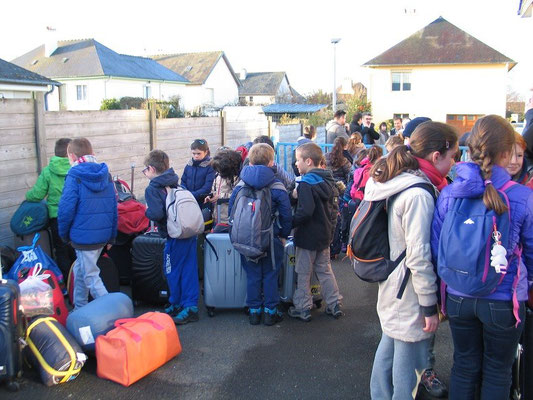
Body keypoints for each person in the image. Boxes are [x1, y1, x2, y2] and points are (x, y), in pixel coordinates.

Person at [432, 115, 533, 399]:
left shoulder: (450, 193)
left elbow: (438, 247)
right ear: (506, 152)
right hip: (503, 298)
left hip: (457, 295)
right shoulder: (522, 196)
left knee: (463, 365)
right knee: (497, 371)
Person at [368, 122, 459, 399]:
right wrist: (429, 305)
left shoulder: (400, 179)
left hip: (394, 282)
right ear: (435, 156)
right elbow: (419, 256)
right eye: (453, 155)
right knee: (407, 368)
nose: (455, 162)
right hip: (409, 289)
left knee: (390, 345)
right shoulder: (419, 193)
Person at [228, 143, 292, 326]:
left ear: (249, 161)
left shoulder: (240, 185)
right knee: (271, 274)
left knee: (253, 275)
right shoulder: (277, 186)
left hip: (247, 238)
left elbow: (232, 210)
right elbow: (287, 215)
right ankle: (270, 312)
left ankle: (254, 311)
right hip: (271, 238)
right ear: (272, 162)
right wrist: (283, 235)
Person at [58, 138, 117, 309]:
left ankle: (113, 313)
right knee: (80, 270)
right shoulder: (105, 174)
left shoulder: (74, 175)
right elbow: (114, 207)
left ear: (71, 155)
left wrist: (63, 234)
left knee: (91, 276)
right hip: (102, 236)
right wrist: (112, 237)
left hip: (83, 238)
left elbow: (65, 210)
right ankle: (80, 308)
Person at [143, 149, 199, 325]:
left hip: (173, 235)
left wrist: (146, 212)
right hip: (187, 231)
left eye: (145, 170)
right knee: (189, 269)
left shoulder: (153, 188)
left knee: (172, 270)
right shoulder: (174, 181)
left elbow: (157, 213)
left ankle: (178, 302)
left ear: (152, 169)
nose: (145, 173)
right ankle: (189, 305)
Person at [289, 142, 344, 322]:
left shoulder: (306, 183)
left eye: (298, 160)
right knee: (325, 270)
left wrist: (291, 223)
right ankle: (334, 303)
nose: (296, 164)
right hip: (324, 234)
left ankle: (303, 307)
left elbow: (305, 211)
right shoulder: (329, 180)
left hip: (307, 236)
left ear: (309, 161)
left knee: (304, 272)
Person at [26, 138, 74, 277]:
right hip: (76, 216)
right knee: (78, 249)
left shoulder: (48, 171)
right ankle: (81, 283)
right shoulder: (77, 168)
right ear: (71, 153)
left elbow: (37, 195)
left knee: (61, 250)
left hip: (57, 218)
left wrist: (28, 195)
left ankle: (66, 283)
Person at [205, 148, 242, 232]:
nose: (218, 172)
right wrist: (210, 196)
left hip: (228, 218)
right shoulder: (217, 175)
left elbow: (237, 195)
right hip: (216, 216)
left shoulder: (236, 178)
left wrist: (220, 197)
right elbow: (214, 190)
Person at [181, 139, 216, 205]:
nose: (196, 156)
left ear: (205, 152)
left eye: (199, 153)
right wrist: (185, 193)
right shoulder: (189, 165)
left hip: (203, 201)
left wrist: (192, 195)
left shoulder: (210, 166)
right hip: (188, 200)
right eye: (194, 153)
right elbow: (183, 181)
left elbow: (208, 187)